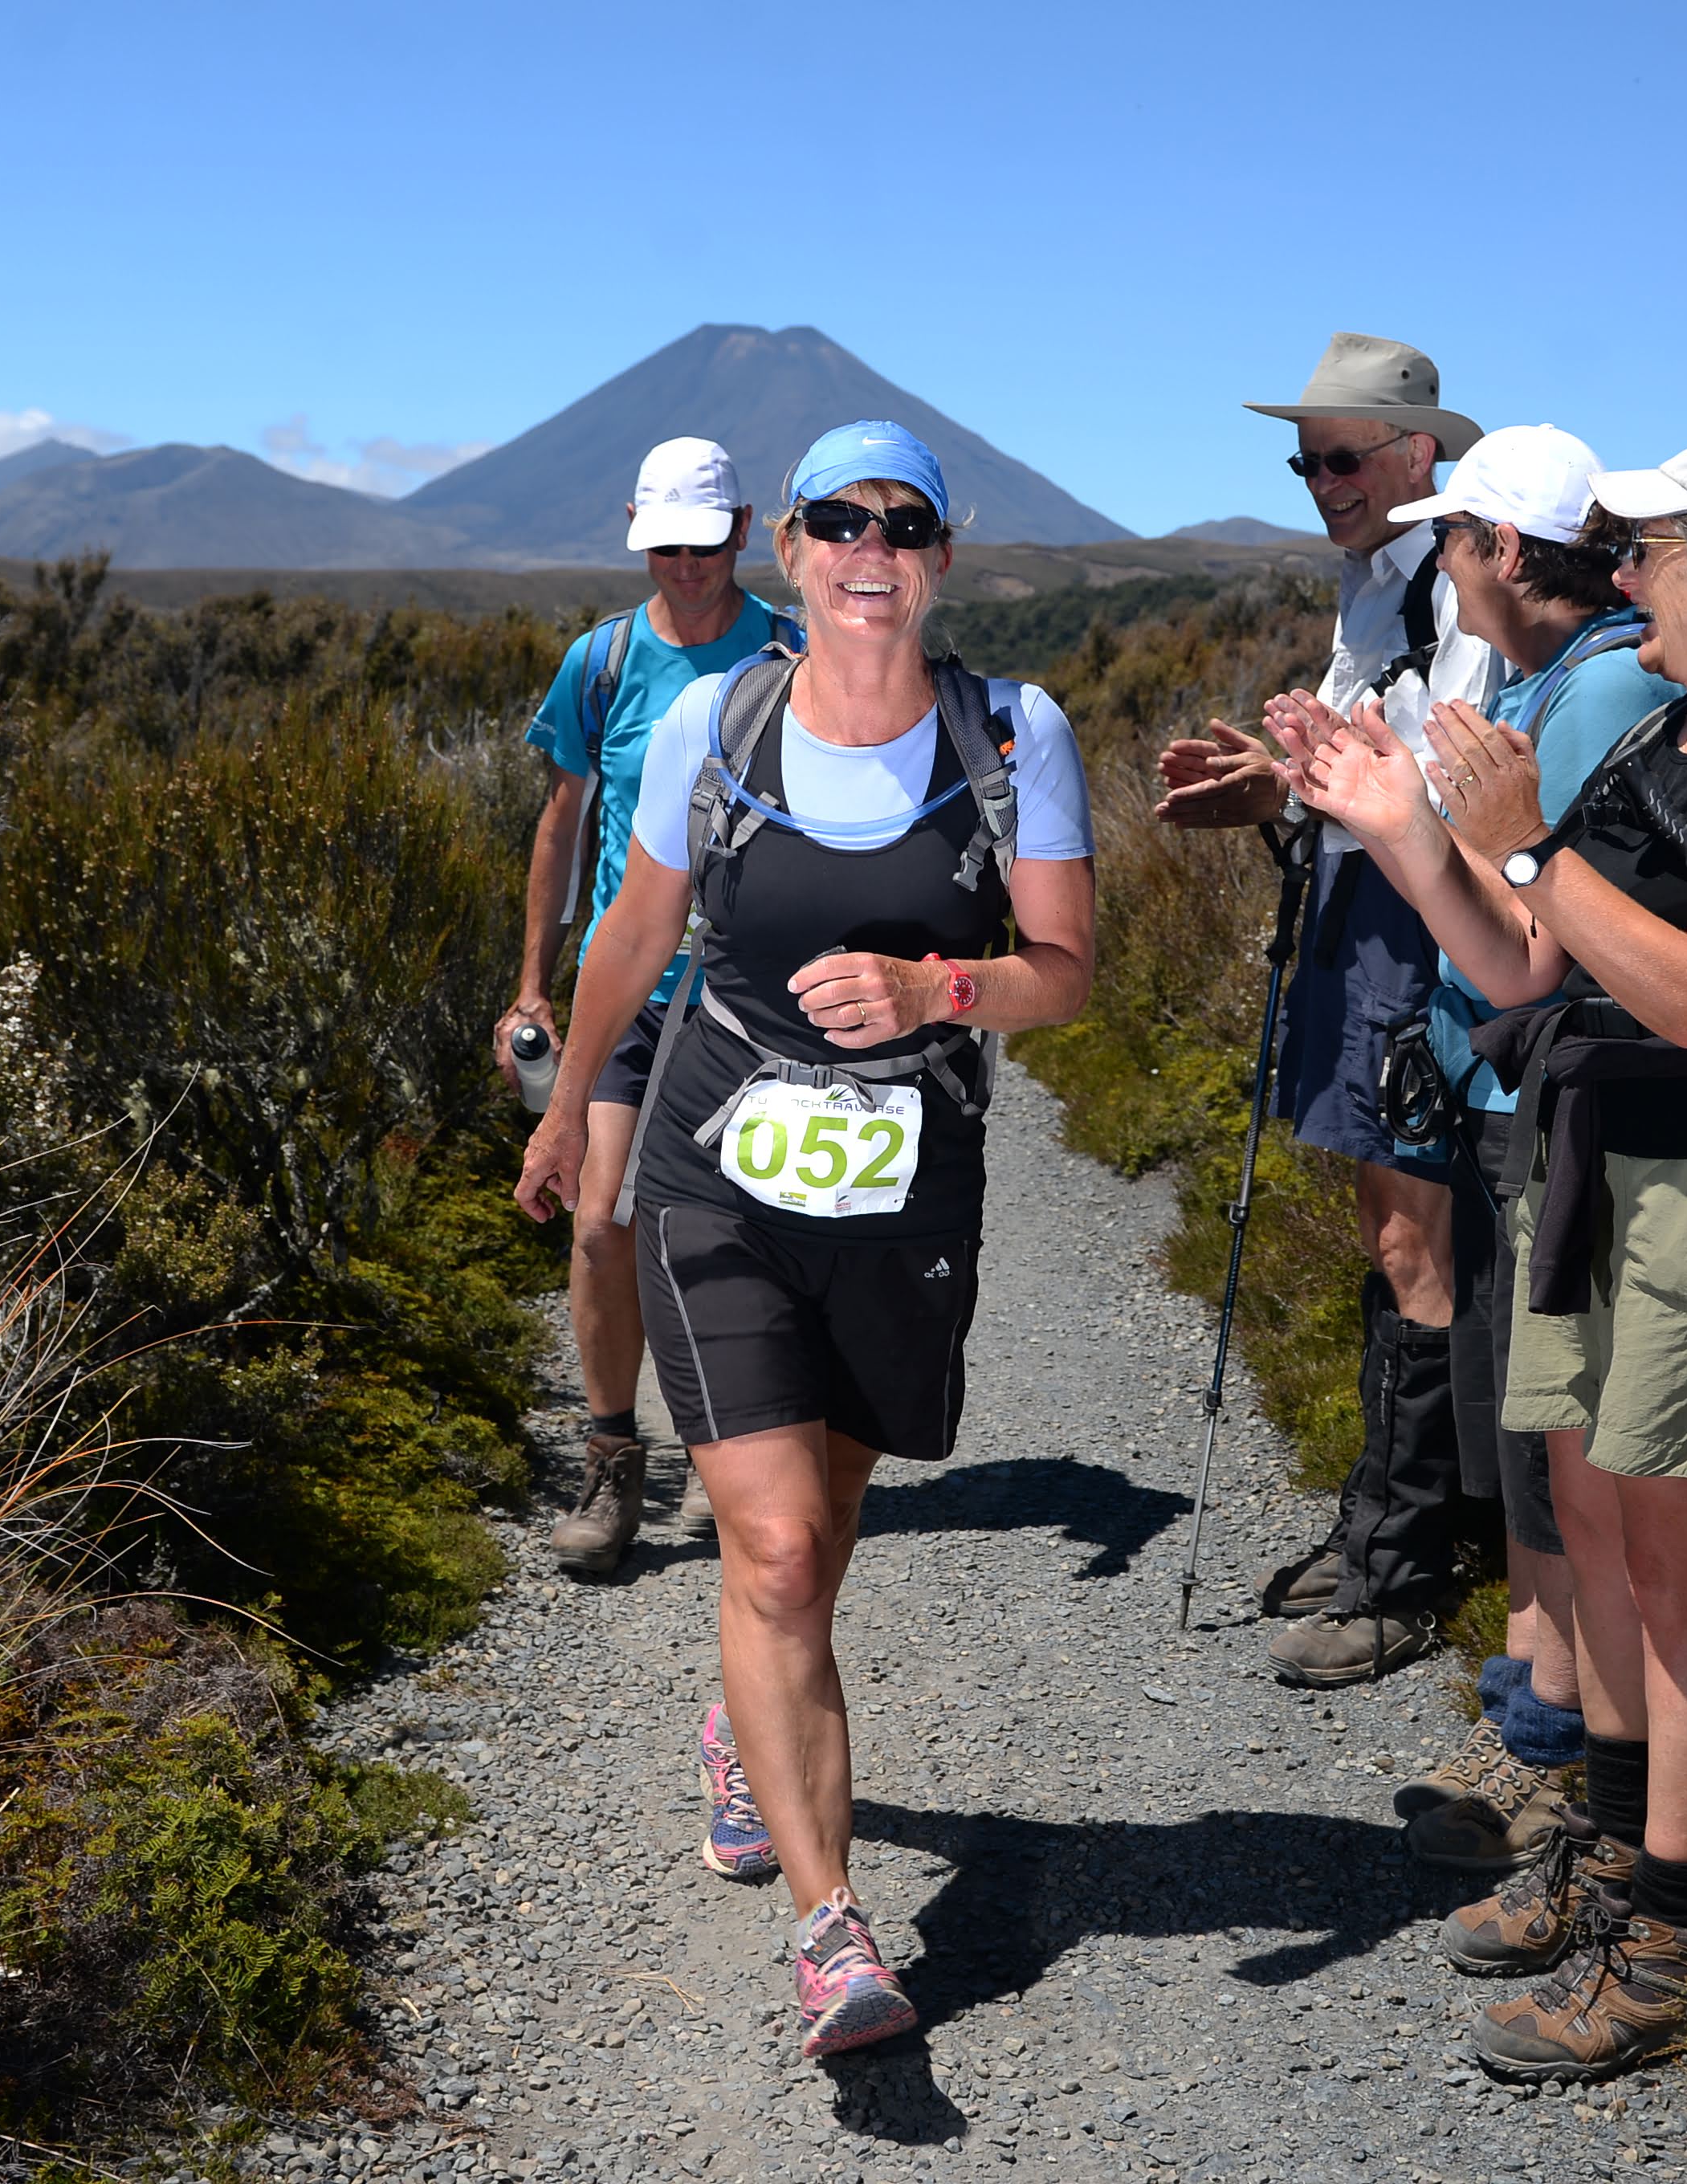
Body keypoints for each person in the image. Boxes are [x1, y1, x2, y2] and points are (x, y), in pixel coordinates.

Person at [1273, 434, 1687, 2081]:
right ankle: (1618, 1854)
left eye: (1650, 553)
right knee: (1601, 1532)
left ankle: (1672, 1934)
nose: (1616, 577)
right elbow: (1523, 969)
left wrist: (1525, 841)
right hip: (1594, 1166)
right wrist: (1413, 834)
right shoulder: (1657, 745)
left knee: (1682, 1565)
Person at [513, 421, 1095, 2060]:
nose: (867, 549)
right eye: (836, 521)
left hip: (908, 1183)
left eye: (900, 525)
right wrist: (568, 1108)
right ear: (792, 551)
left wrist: (938, 989)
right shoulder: (718, 715)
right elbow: (633, 930)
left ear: (938, 558)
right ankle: (832, 1927)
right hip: (718, 1167)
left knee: (826, 1518)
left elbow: (1067, 970)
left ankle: (745, 1720)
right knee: (767, 1546)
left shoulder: (1010, 732)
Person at [1290, 427, 1681, 1872]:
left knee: (1564, 1460)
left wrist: (1394, 822)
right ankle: (1536, 1725)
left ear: (1507, 554)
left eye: (1456, 541)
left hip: (1556, 1114)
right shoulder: (1567, 684)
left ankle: (1567, 1768)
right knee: (1536, 1453)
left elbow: (1521, 950)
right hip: (1536, 1109)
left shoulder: (1585, 703)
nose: (1445, 566)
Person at [1157, 332, 1503, 1689]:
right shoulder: (1380, 585)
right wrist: (1278, 778)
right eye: (1305, 460)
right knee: (1396, 1227)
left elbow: (1453, 783)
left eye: (1341, 458)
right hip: (1372, 925)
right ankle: (1394, 1521)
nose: (1318, 480)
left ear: (1417, 455)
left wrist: (1304, 777)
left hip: (1420, 936)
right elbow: (1368, 772)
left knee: (1416, 1238)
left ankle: (1403, 1565)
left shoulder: (1458, 593)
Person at [499, 437, 799, 1578]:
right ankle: (615, 1464)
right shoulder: (604, 660)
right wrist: (535, 982)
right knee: (601, 1224)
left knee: (747, 1235)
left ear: (743, 532)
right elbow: (563, 823)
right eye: (664, 545)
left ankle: (731, 1465)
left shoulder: (796, 651)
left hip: (750, 998)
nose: (686, 566)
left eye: (705, 542)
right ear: (637, 531)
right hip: (627, 993)